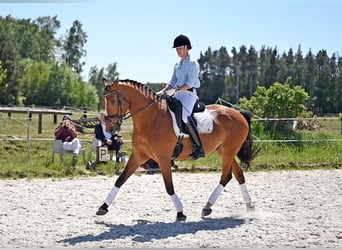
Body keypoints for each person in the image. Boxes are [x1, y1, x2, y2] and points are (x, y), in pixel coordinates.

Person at [157, 34, 205, 160]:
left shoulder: (193, 63)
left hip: (189, 94)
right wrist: (161, 92)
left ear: (187, 48)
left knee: (184, 116)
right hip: (177, 94)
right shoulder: (177, 65)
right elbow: (172, 83)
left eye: (180, 48)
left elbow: (189, 83)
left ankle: (199, 147)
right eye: (177, 49)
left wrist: (176, 90)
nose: (178, 51)